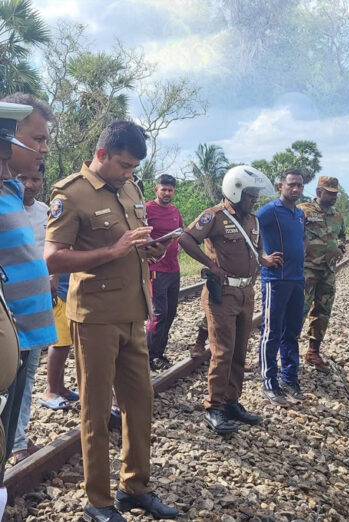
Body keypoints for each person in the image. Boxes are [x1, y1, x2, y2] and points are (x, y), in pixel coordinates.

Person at [45, 120, 178, 521]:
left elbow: (131, 244)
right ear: (102, 154)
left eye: (133, 167)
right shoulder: (71, 194)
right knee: (97, 411)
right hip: (96, 319)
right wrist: (116, 248)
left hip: (135, 314)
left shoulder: (132, 188)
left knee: (140, 404)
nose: (128, 173)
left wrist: (148, 250)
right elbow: (52, 257)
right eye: (123, 165)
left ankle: (134, 488)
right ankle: (98, 502)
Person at [179, 165, 279, 434]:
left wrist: (264, 259)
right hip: (222, 294)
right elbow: (186, 239)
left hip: (246, 293)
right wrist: (210, 265)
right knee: (221, 352)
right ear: (235, 191)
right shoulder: (215, 216)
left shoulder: (253, 220)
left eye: (256, 195)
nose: (254, 199)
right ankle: (213, 407)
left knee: (238, 351)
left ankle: (232, 401)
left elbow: (255, 248)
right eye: (249, 195)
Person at [0, 100, 57, 482]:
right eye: (38, 138)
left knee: (4, 443)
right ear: (7, 141)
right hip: (9, 341)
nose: (45, 148)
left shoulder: (10, 191)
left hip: (25, 339)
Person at [256, 168, 306, 406]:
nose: (295, 189)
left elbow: (301, 239)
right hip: (276, 281)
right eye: (291, 185)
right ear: (280, 186)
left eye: (299, 185)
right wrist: (262, 258)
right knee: (271, 332)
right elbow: (246, 233)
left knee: (292, 332)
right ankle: (269, 383)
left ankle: (290, 378)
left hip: (297, 280)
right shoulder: (268, 212)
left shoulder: (299, 214)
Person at [297, 176, 346, 373]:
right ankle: (289, 353)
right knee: (299, 310)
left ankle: (313, 352)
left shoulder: (338, 216)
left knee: (323, 310)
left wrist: (341, 249)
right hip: (306, 270)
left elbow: (341, 237)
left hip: (328, 271)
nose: (333, 197)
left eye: (335, 193)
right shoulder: (303, 210)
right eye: (330, 193)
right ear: (319, 192)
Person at [146, 174, 184, 371]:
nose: (167, 193)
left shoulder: (175, 210)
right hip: (156, 270)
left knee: (170, 313)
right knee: (158, 314)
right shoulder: (147, 209)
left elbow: (181, 231)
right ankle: (148, 355)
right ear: (156, 190)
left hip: (173, 268)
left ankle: (159, 352)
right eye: (164, 189)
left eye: (170, 190)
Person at [39, 273, 76, 411]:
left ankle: (59, 387)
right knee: (60, 344)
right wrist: (53, 277)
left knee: (65, 342)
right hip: (59, 292)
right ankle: (50, 391)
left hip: (66, 291)